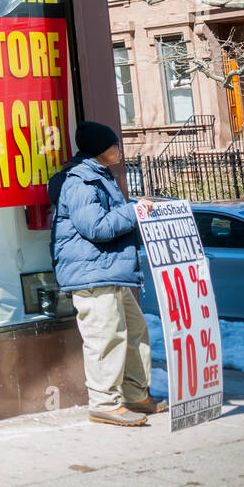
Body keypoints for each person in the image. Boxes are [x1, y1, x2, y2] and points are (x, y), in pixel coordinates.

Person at [47, 121, 167, 427]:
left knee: (135, 331)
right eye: (115, 145)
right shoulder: (80, 182)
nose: (119, 150)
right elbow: (96, 227)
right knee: (106, 337)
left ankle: (135, 394)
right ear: (100, 149)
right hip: (93, 273)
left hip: (108, 269)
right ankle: (104, 402)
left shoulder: (99, 176)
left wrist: (133, 207)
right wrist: (133, 211)